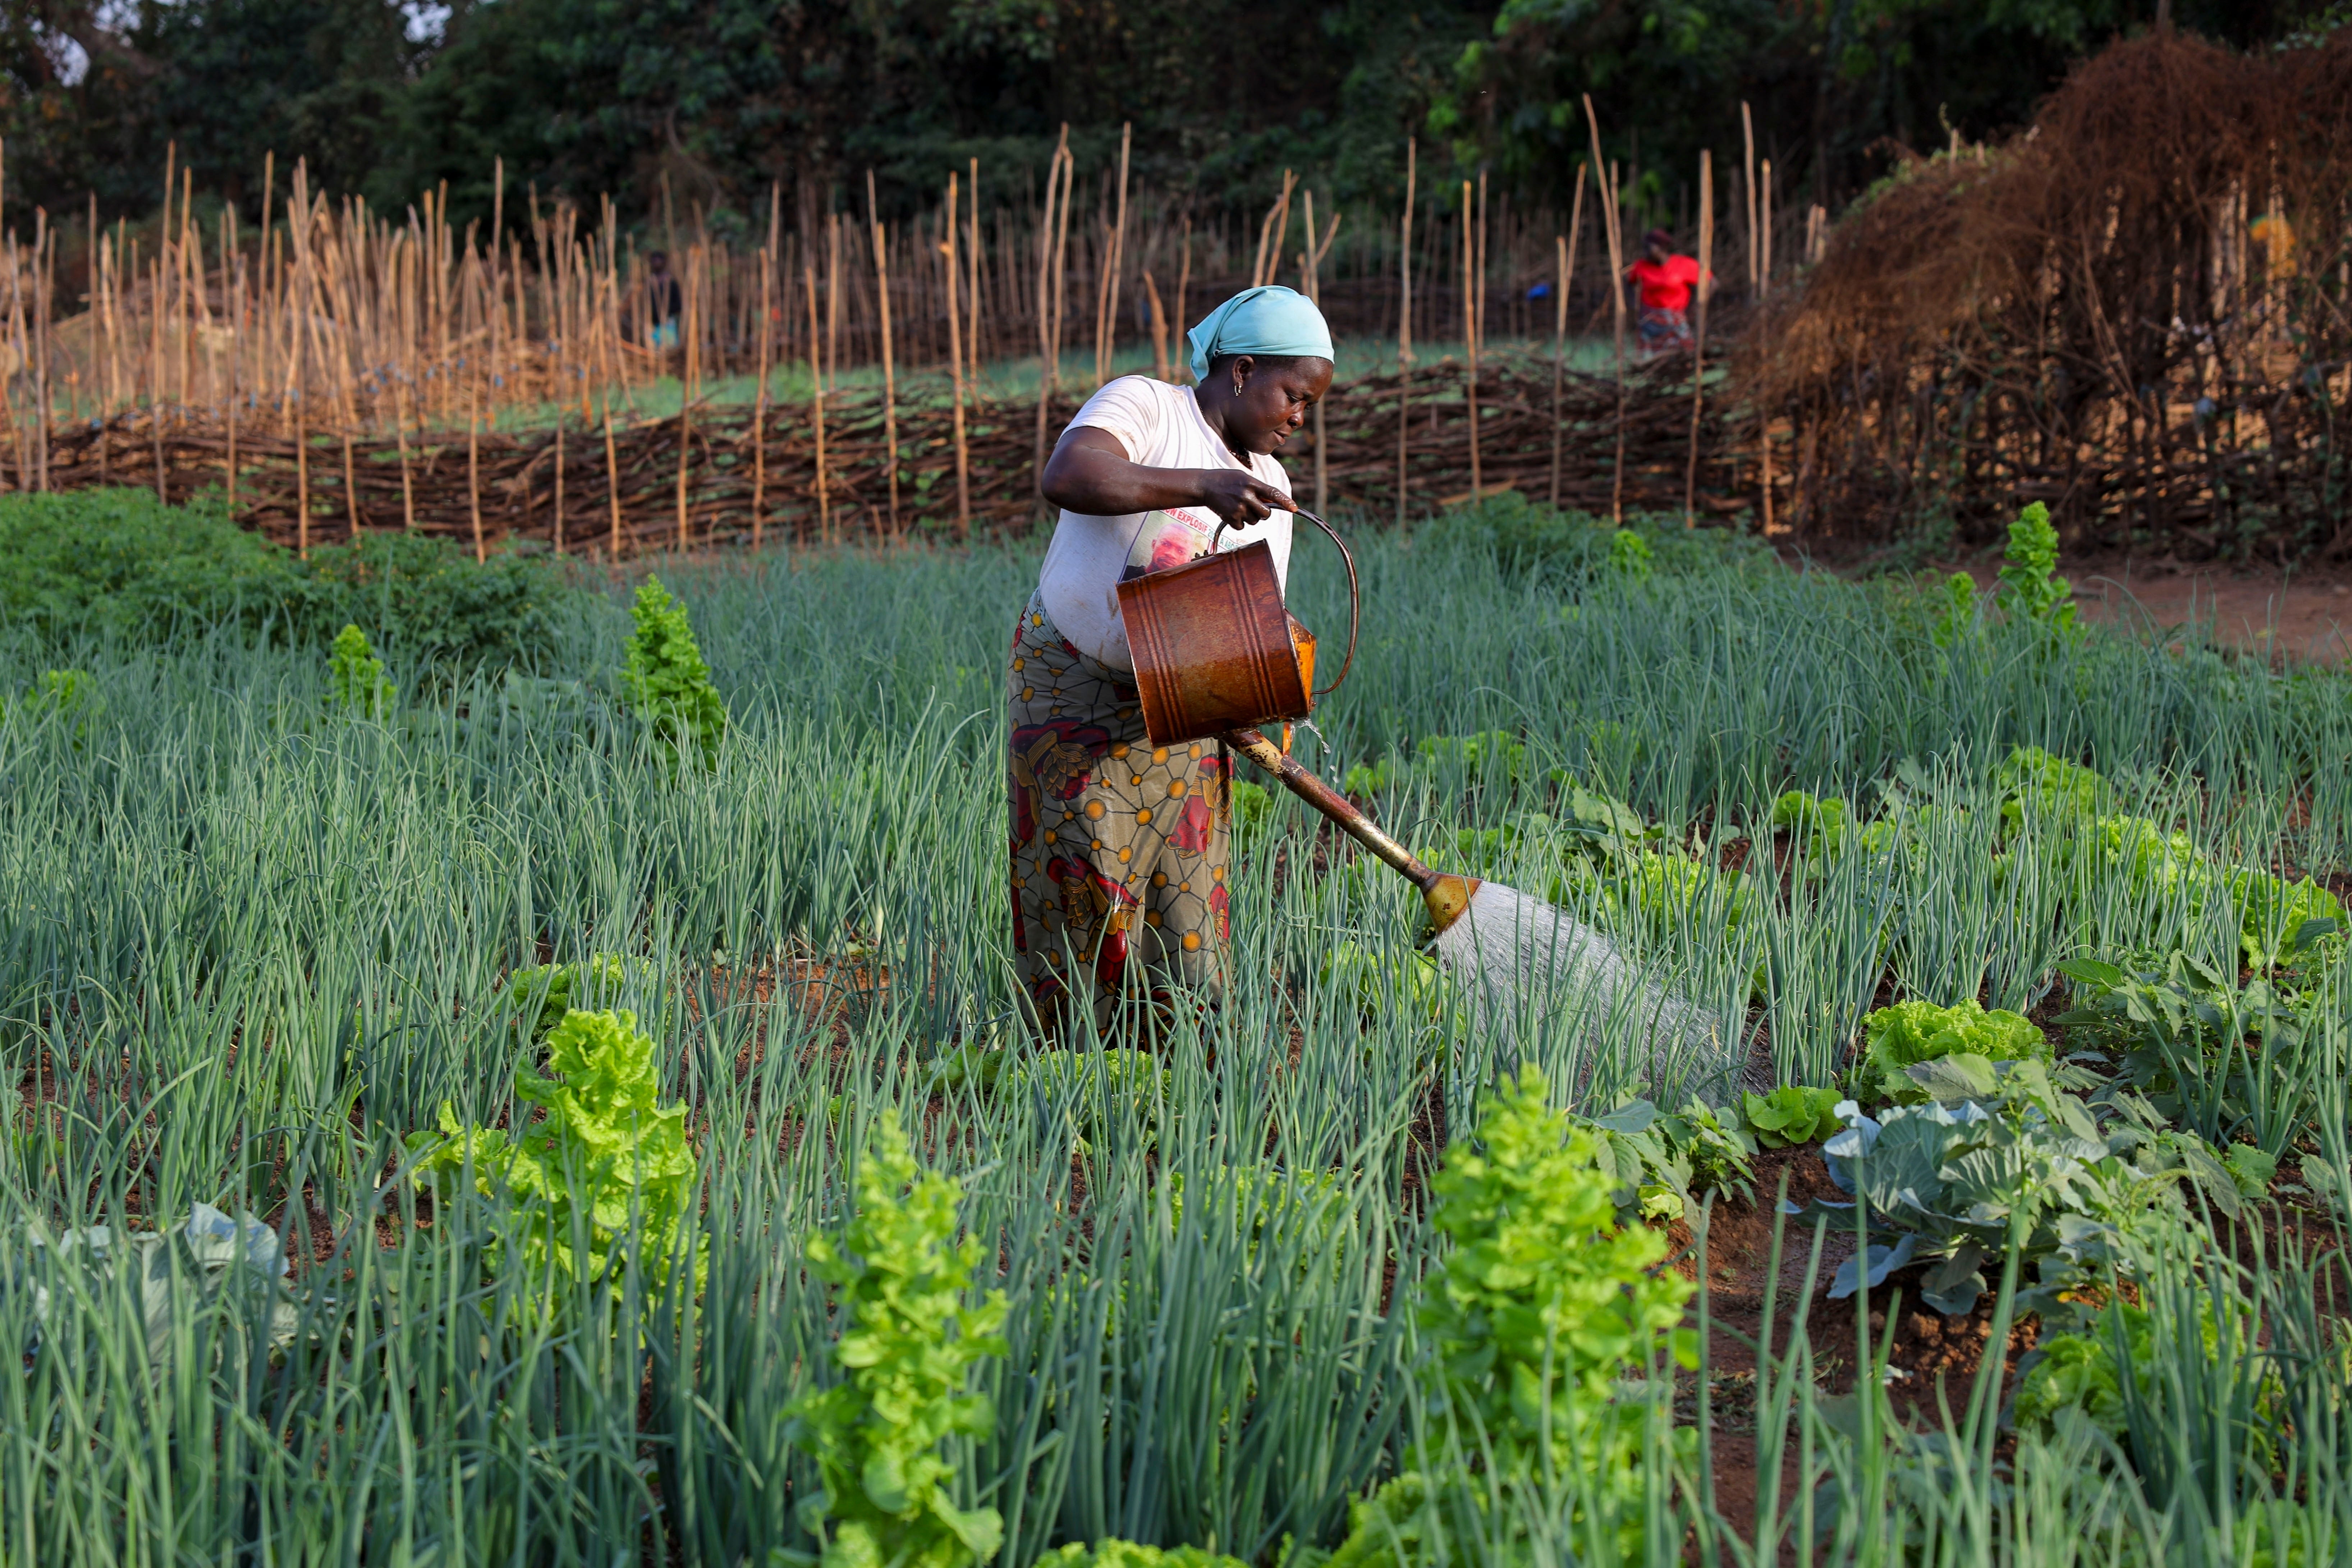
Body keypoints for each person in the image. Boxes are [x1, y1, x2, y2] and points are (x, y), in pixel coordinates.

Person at [1014, 284, 1334, 1035]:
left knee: (1185, 897)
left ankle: (1182, 1067)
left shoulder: (1271, 488)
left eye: (1310, 406)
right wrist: (1202, 484)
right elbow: (1067, 476)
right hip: (1073, 690)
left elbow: (1243, 612)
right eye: (1294, 395)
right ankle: (1072, 1068)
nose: (1298, 418)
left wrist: (1263, 683)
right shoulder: (1147, 408)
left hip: (1182, 705)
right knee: (1082, 884)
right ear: (1243, 370)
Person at [1626, 229, 1705, 357]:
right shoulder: (1641, 266)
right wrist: (1633, 305)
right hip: (1650, 322)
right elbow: (1629, 283)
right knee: (1651, 361)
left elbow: (1711, 284)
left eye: (1649, 247)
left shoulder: (1683, 264)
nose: (1645, 251)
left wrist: (1696, 307)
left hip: (1676, 321)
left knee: (1683, 357)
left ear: (1661, 247)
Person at [645, 251, 683, 349]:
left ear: (664, 263)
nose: (656, 263)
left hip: (668, 322)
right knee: (654, 350)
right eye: (654, 261)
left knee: (669, 350)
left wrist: (666, 313)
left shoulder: (672, 283)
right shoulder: (649, 283)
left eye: (659, 261)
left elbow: (678, 305)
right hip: (652, 323)